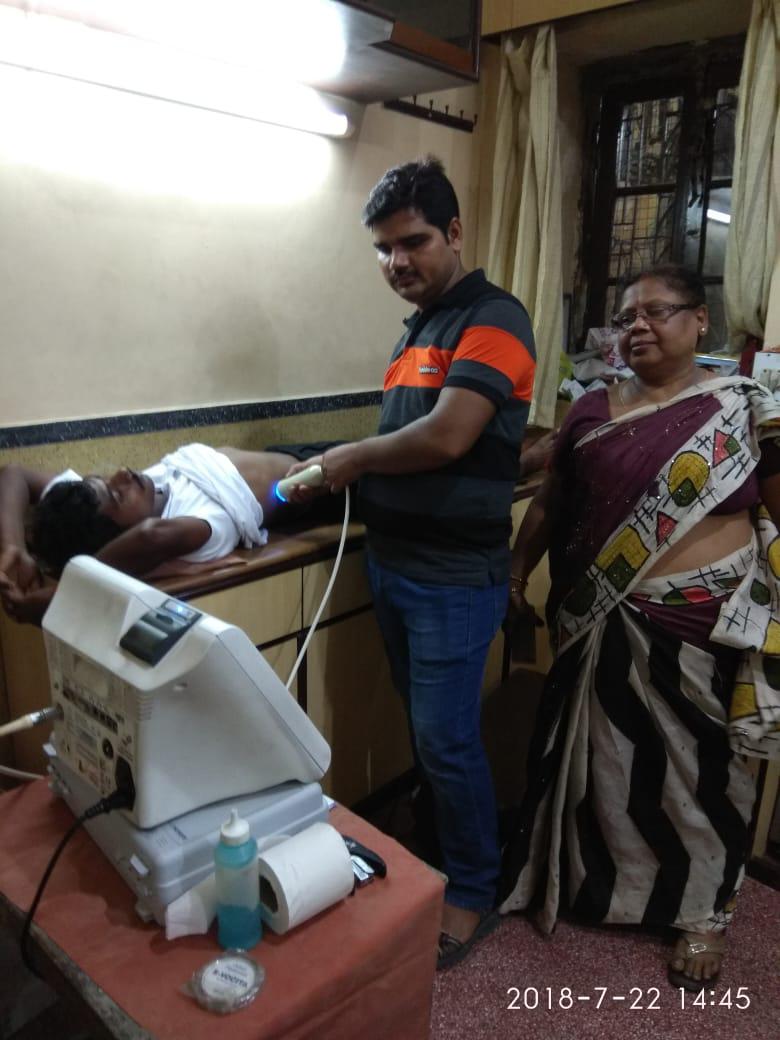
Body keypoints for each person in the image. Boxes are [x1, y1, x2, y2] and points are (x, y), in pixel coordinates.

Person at [284, 157, 537, 968]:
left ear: (454, 232)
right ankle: (438, 845)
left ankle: (473, 888)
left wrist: (352, 457)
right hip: (395, 564)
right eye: (384, 249)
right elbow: (411, 439)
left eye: (414, 242)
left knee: (448, 742)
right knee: (430, 736)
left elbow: (449, 435)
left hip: (451, 576)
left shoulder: (494, 316)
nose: (397, 261)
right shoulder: (418, 330)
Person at [500, 264, 780, 991]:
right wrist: (515, 573)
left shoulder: (741, 407)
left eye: (658, 311)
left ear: (700, 320)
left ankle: (703, 911)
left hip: (701, 620)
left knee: (702, 770)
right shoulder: (592, 408)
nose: (639, 327)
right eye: (626, 318)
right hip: (596, 613)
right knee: (600, 760)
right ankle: (595, 883)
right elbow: (551, 502)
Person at [0, 442, 332, 625]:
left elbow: (13, 474)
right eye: (117, 495)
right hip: (321, 486)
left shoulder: (103, 500)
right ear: (118, 539)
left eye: (106, 479)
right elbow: (150, 537)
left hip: (289, 449)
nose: (123, 474)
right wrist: (65, 592)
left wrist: (14, 549)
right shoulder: (199, 525)